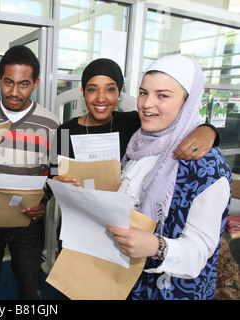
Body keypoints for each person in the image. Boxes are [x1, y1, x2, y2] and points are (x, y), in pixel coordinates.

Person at [50, 58, 218, 250]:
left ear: (119, 94)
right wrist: (58, 184)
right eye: (92, 89)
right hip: (77, 223)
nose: (101, 98)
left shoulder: (133, 123)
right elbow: (52, 176)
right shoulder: (65, 131)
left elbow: (176, 124)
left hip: (119, 229)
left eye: (110, 89)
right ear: (83, 92)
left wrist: (208, 130)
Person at [106, 54, 231, 300]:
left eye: (162, 95)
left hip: (172, 291)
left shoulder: (206, 164)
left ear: (188, 101)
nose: (146, 104)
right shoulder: (138, 144)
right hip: (129, 283)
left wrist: (156, 246)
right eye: (143, 93)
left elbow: (199, 253)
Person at [0, 45, 60, 300]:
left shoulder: (53, 123)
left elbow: (56, 174)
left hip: (29, 222)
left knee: (29, 285)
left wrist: (44, 202)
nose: (14, 91)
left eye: (23, 84)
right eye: (8, 82)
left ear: (36, 83)